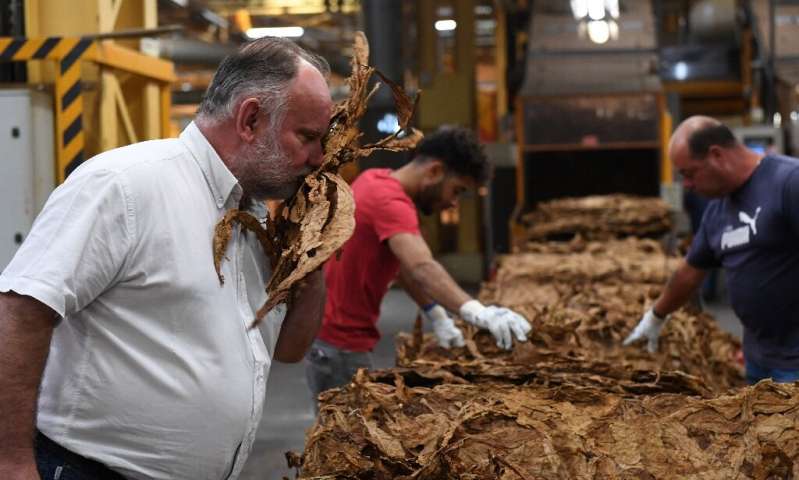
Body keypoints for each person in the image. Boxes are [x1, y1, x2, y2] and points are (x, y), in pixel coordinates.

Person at [0, 37, 331, 479]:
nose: (319, 158)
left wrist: (318, 256)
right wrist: (11, 462)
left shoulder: (253, 220)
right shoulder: (125, 186)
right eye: (307, 137)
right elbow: (19, 312)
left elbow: (290, 349)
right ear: (250, 119)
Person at [304, 128, 532, 408]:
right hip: (339, 347)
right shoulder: (391, 202)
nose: (453, 202)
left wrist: (435, 314)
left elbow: (401, 266)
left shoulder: (373, 180)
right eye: (457, 190)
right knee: (345, 444)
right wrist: (478, 312)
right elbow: (422, 266)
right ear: (435, 172)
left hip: (332, 342)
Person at [623, 115, 799, 384]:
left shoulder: (787, 183)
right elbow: (690, 273)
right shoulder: (717, 211)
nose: (688, 185)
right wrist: (656, 316)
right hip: (759, 359)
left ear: (716, 155)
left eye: (689, 173)